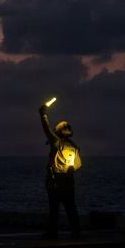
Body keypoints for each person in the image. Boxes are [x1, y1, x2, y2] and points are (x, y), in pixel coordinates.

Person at [38, 102, 80, 240]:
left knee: (54, 208)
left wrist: (43, 114)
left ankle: (52, 232)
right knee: (71, 208)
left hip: (56, 181)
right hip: (69, 181)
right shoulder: (74, 147)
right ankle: (75, 233)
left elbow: (46, 128)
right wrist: (71, 169)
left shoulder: (56, 142)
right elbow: (79, 164)